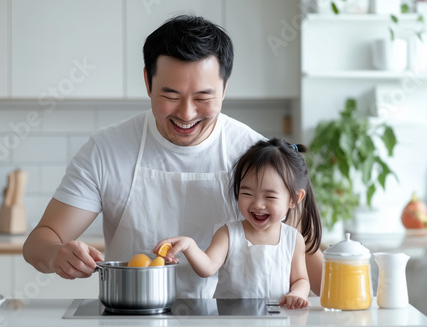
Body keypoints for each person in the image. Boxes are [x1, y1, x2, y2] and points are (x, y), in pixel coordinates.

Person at [23, 15, 324, 298]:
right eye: (170, 96)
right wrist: (55, 255)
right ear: (147, 82)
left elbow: (304, 256)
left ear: (225, 88)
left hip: (230, 319)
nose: (186, 113)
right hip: (132, 315)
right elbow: (40, 240)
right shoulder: (106, 150)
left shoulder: (259, 157)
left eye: (203, 97)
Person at [154, 138, 321, 308]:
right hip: (233, 320)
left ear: (295, 198)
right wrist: (190, 246)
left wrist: (297, 293)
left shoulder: (293, 239)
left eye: (269, 196)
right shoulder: (228, 234)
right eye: (247, 193)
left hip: (278, 319)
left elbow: (301, 279)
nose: (257, 204)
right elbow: (207, 268)